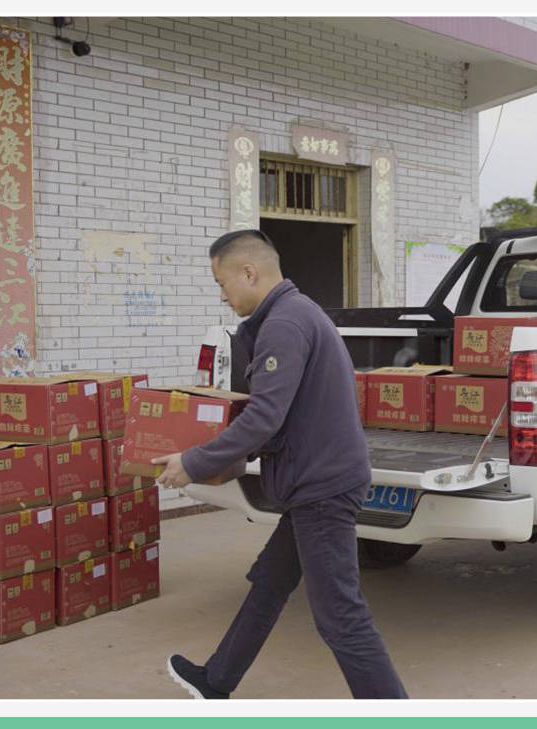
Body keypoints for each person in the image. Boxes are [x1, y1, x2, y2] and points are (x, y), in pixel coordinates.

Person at [153, 229, 408, 700]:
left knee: (340, 618)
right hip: (313, 481)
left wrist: (194, 461)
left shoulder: (285, 325)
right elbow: (280, 417)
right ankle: (216, 681)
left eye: (221, 281)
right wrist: (227, 456)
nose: (221, 294)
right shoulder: (293, 314)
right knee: (270, 582)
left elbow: (265, 416)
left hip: (321, 488)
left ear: (249, 272)